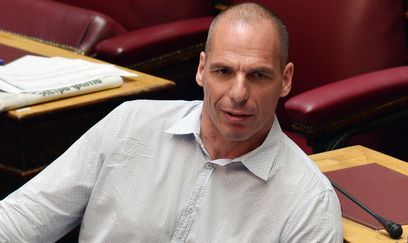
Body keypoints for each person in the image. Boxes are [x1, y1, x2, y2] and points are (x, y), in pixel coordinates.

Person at [0, 2, 343, 242]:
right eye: (223, 72)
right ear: (201, 69)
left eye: (258, 75)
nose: (239, 93)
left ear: (285, 80)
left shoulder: (308, 203)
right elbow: (24, 218)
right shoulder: (128, 125)